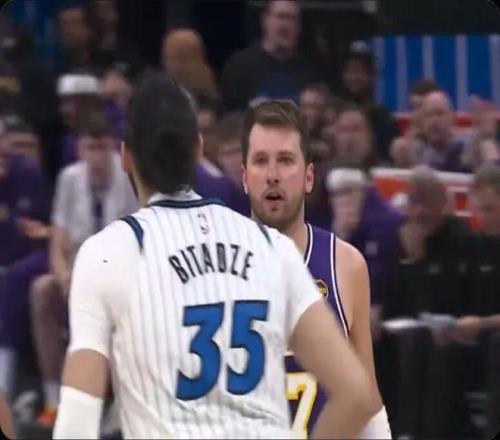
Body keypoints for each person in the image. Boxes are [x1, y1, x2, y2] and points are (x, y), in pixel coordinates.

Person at [53, 73, 376, 439]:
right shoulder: (271, 246)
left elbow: (78, 418)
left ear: (125, 157)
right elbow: (357, 395)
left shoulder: (107, 253)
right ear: (198, 150)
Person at [241, 99, 391, 439]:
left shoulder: (346, 264)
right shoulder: (215, 267)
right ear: (245, 178)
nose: (273, 175)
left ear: (309, 177)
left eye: (285, 160)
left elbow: (368, 400)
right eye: (261, 161)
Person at [30, 114, 137, 428]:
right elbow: (58, 238)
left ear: (114, 149)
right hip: (75, 271)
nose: (97, 156)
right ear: (80, 149)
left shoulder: (128, 178)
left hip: (117, 271)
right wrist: (63, 275)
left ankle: (121, 403)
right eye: (91, 148)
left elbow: (134, 237)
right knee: (41, 290)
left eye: (102, 148)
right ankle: (53, 398)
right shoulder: (69, 178)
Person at [220, 0, 315, 111]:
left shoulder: (309, 72)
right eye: (281, 17)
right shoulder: (240, 65)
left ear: (299, 27)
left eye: (292, 19)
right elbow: (227, 114)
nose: (286, 25)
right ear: (264, 21)